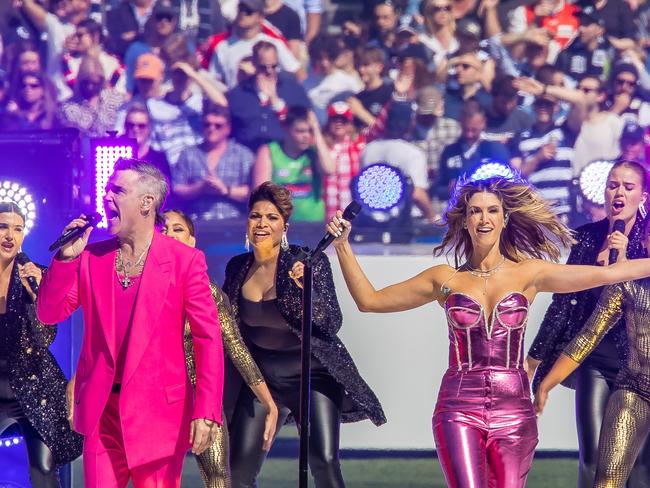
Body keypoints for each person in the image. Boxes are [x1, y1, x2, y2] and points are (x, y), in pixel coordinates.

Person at [324, 174, 650, 487]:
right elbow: (369, 300)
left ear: (505, 218)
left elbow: (608, 275)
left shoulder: (529, 273)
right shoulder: (444, 278)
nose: (484, 219)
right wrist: (342, 247)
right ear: (465, 220)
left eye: (492, 210)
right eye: (475, 211)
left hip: (514, 406)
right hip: (458, 404)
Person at [36, 158, 224, 487]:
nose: (107, 197)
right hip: (101, 410)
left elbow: (208, 340)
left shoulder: (185, 261)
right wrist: (65, 259)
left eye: (118, 190)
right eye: (107, 189)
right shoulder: (93, 257)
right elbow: (49, 313)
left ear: (146, 202)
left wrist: (207, 411)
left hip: (160, 415)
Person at [222, 182, 385, 487]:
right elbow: (229, 329)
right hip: (263, 381)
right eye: (255, 216)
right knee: (238, 472)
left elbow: (331, 321)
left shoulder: (306, 262)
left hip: (311, 377)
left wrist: (304, 289)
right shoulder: (237, 268)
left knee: (322, 461)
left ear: (285, 226)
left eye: (271, 217)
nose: (262, 224)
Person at [526, 160, 650, 488]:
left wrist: (625, 258)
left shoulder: (647, 241)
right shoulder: (586, 238)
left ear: (643, 196)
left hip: (640, 368)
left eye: (628, 186)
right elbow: (563, 304)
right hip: (593, 361)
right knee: (594, 459)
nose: (618, 192)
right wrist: (535, 358)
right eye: (613, 185)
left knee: (637, 465)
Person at [162, 209, 278, 488]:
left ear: (192, 241)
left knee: (218, 478)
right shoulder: (139, 286)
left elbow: (234, 346)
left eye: (178, 229)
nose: (168, 234)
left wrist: (269, 403)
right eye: (162, 229)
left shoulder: (206, 290)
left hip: (199, 400)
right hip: (156, 398)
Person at [0, 202, 82, 487]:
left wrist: (37, 296)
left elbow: (46, 338)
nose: (10, 235)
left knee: (44, 467)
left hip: (34, 389)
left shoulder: (38, 275)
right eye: (3, 227)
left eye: (17, 229)